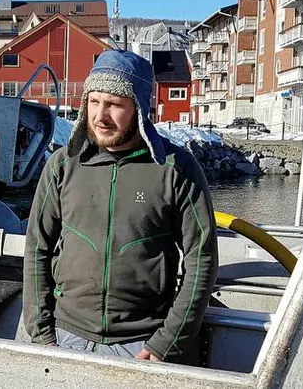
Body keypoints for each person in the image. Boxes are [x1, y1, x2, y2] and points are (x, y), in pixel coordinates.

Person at [22, 49, 218, 363]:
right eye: (94, 102)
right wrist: (42, 332)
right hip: (65, 335)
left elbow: (202, 259)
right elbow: (37, 249)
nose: (100, 116)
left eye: (114, 104)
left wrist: (166, 342)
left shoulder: (175, 168)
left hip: (141, 343)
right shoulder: (63, 165)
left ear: (139, 108)